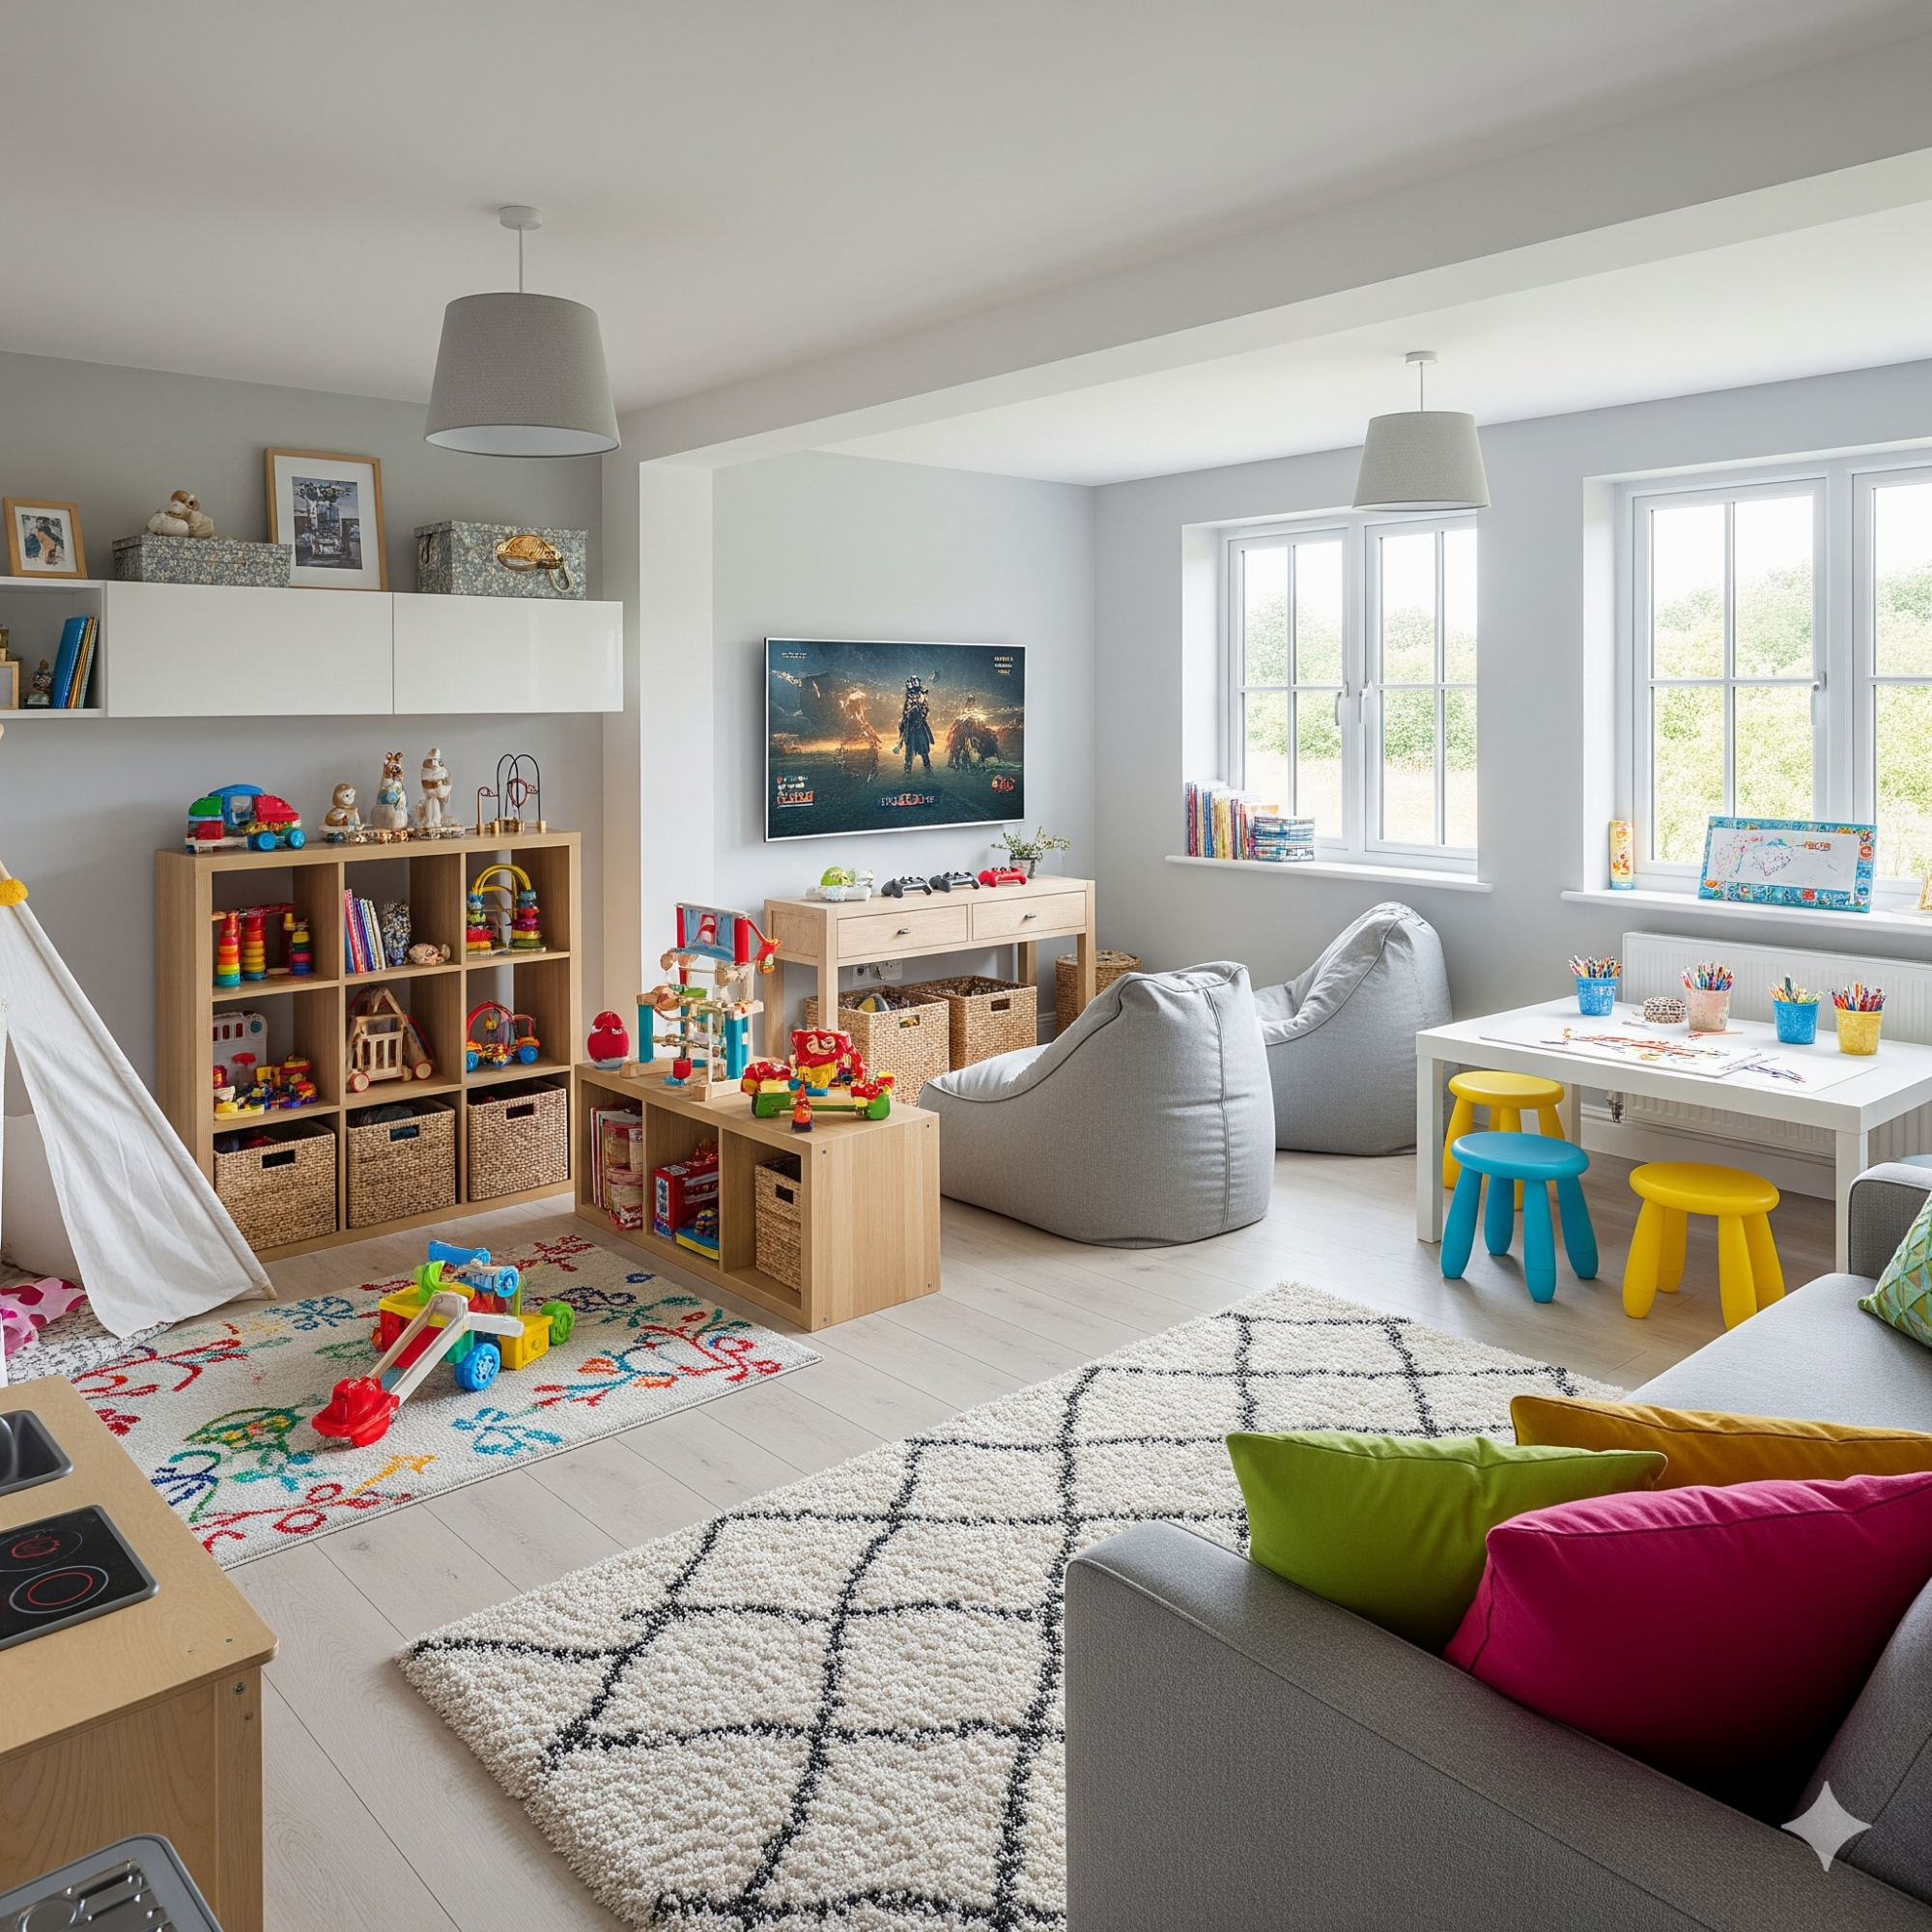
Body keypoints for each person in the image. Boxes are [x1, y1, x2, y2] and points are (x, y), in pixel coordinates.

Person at [896, 675, 934, 775]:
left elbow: (926, 709)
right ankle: (907, 771)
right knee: (909, 752)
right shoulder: (910, 696)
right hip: (911, 727)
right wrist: (913, 710)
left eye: (917, 681)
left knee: (924, 751)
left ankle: (928, 769)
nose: (916, 683)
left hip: (920, 727)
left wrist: (921, 715)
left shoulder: (923, 695)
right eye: (914, 681)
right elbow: (905, 712)